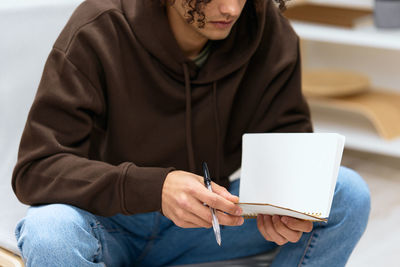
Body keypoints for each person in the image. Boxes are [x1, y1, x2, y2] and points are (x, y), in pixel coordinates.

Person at [12, 0, 371, 266]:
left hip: (213, 223)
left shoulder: (268, 31)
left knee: (347, 193)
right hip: (110, 224)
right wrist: (157, 188)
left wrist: (284, 206)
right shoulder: (99, 28)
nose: (230, 8)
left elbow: (290, 146)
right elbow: (36, 169)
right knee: (48, 231)